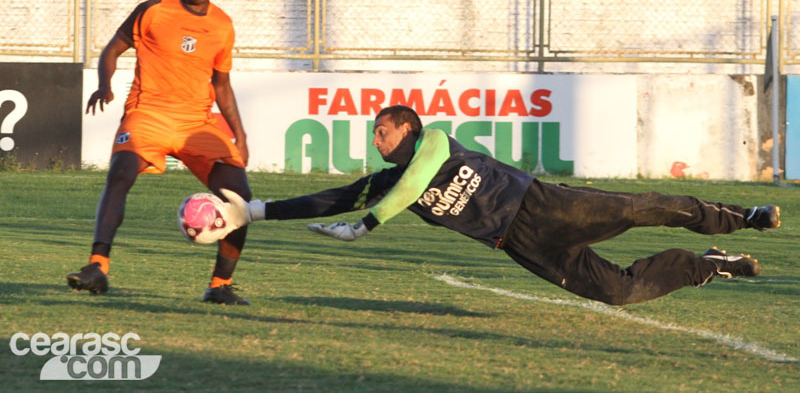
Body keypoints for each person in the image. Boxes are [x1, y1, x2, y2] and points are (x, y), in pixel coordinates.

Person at [215, 105, 781, 306]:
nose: (376, 142)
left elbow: (410, 188)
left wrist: (366, 225)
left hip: (544, 207)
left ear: (407, 128)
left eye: (383, 132)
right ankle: (714, 264)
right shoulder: (387, 182)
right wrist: (254, 211)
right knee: (621, 293)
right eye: (375, 136)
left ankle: (743, 217)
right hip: (522, 245)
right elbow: (327, 197)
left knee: (642, 207)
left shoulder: (434, 140)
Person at [67, 0, 253, 305]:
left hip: (197, 122)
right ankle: (97, 267)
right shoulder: (154, 8)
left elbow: (222, 85)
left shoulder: (222, 25)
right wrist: (105, 83)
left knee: (240, 198)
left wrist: (239, 134)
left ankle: (219, 286)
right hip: (148, 114)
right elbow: (112, 50)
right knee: (120, 175)